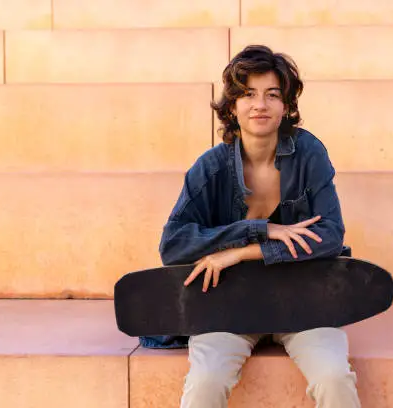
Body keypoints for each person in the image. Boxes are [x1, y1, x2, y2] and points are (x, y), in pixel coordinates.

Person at [141, 44, 361, 408]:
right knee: (205, 383)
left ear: (286, 105)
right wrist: (257, 228)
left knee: (334, 378)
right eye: (248, 94)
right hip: (230, 304)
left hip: (303, 299)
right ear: (232, 106)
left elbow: (330, 236)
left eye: (272, 95)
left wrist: (241, 252)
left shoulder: (309, 154)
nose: (260, 104)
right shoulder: (210, 167)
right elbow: (173, 245)